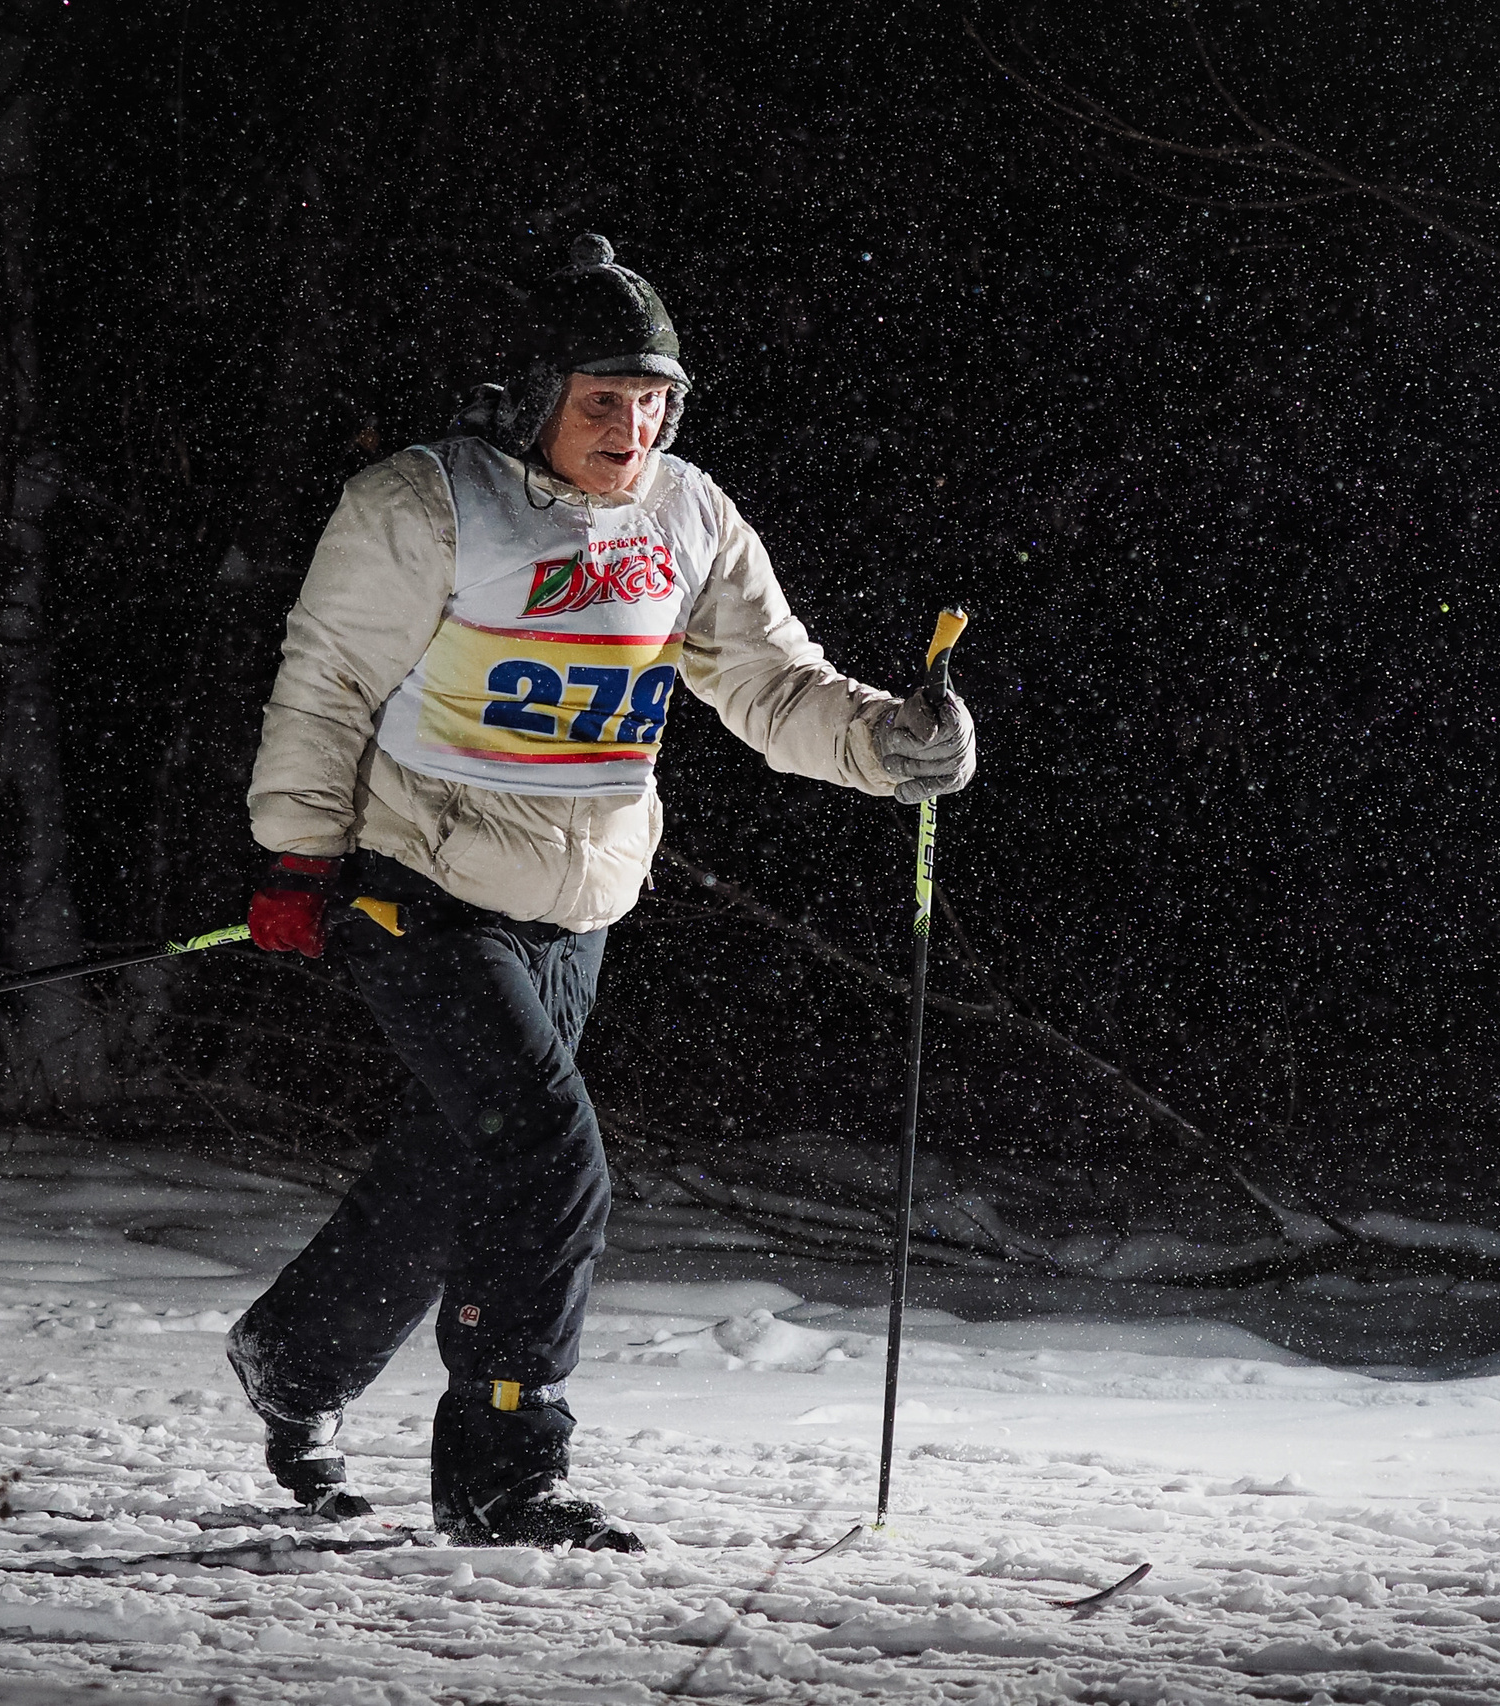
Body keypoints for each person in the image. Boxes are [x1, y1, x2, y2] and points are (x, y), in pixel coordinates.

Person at [226, 234, 976, 1550]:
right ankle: (506, 1471)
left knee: (468, 1161)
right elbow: (327, 682)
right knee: (549, 1156)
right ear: (527, 394)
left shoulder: (686, 517)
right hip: (421, 881)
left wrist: (887, 743)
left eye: (653, 403)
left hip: (578, 901)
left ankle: (296, 1353)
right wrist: (297, 857)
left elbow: (772, 684)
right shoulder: (423, 505)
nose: (631, 431)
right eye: (601, 401)